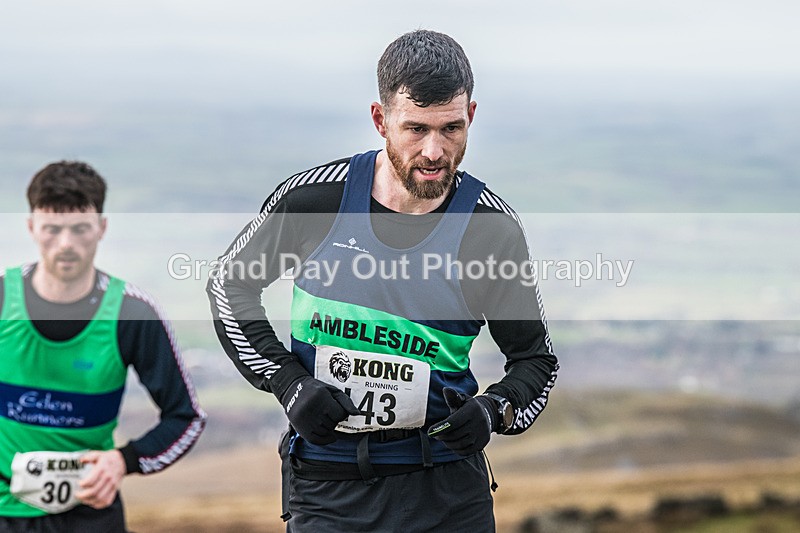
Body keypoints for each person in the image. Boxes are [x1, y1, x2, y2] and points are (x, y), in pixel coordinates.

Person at [207, 29, 558, 531]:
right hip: (328, 489)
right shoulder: (315, 200)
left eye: (452, 129)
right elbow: (228, 286)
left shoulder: (490, 229)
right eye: (415, 129)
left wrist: (495, 411)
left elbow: (535, 362)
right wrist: (289, 384)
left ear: (472, 117)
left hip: (447, 494)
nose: (435, 151)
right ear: (381, 120)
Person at [0, 161, 206, 532]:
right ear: (31, 227)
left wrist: (123, 461)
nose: (66, 245)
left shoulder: (132, 313)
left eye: (80, 229)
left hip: (90, 516)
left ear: (102, 228)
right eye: (52, 230)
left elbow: (186, 417)